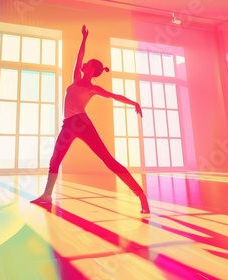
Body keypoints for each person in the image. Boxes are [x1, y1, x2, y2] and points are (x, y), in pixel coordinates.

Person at [31, 25, 150, 214]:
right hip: (68, 124)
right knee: (55, 159)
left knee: (108, 160)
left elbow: (113, 96)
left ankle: (141, 196)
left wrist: (133, 102)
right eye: (84, 63)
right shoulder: (76, 79)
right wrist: (84, 38)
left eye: (87, 63)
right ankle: (47, 195)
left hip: (81, 122)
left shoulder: (92, 88)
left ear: (92, 69)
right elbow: (79, 58)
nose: (83, 63)